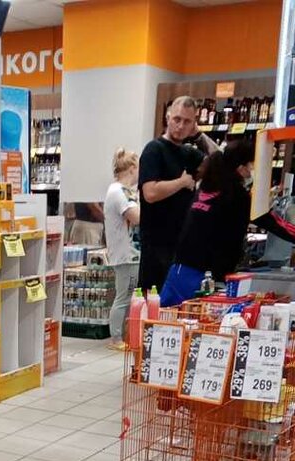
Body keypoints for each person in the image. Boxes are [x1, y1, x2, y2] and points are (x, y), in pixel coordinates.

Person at [160, 140, 295, 306]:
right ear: (242, 167)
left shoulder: (208, 186)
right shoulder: (236, 195)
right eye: (253, 164)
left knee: (167, 317)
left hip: (180, 270)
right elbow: (270, 221)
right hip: (206, 278)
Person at [138, 96, 218, 293]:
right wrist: (181, 182)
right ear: (168, 118)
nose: (181, 126)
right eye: (177, 119)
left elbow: (220, 161)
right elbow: (150, 193)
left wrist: (199, 135)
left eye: (187, 121)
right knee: (154, 304)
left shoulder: (188, 153)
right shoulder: (154, 150)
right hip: (156, 247)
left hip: (182, 246)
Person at [104, 148, 140, 347]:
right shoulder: (120, 192)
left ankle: (122, 335)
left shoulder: (118, 190)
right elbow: (136, 217)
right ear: (132, 168)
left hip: (127, 253)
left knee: (126, 295)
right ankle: (116, 337)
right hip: (127, 254)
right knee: (124, 296)